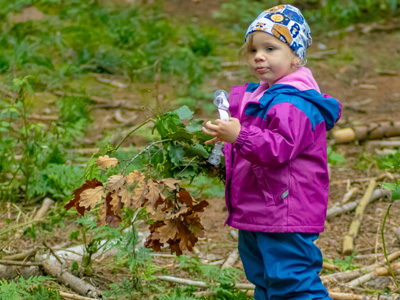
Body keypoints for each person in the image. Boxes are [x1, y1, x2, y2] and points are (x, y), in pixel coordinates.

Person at [202, 4, 341, 300]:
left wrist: (239, 135)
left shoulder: (294, 101)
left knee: (292, 281)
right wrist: (224, 137)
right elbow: (250, 143)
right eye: (253, 50)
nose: (259, 56)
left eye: (270, 48)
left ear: (295, 56)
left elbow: (279, 147)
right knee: (264, 280)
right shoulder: (261, 95)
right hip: (259, 208)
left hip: (285, 209)